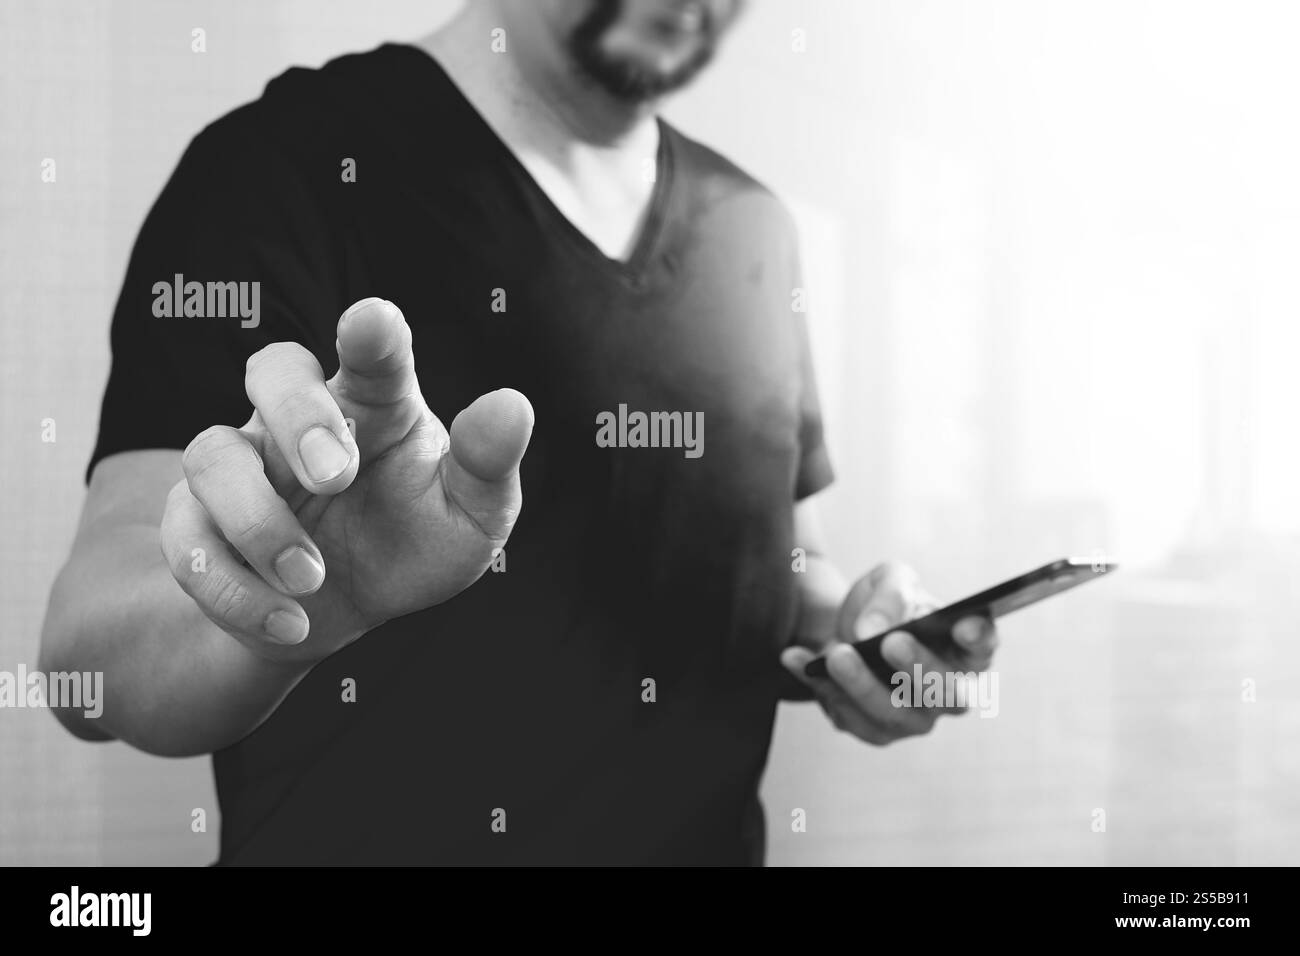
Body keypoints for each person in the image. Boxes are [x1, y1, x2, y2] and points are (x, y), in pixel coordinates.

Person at [40, 0, 998, 865]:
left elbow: (783, 560)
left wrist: (864, 634)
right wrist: (273, 619)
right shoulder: (278, 166)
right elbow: (85, 663)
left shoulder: (756, 228)